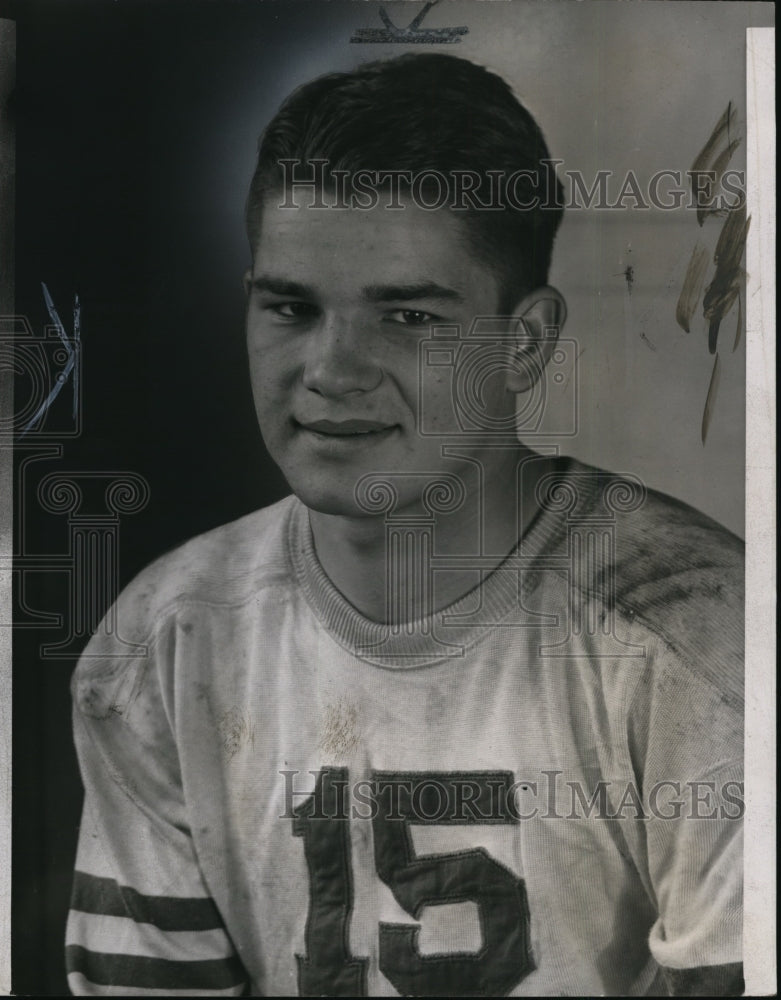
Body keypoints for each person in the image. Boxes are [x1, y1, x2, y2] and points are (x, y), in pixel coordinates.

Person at [65, 54, 744, 996]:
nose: (332, 370)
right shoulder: (164, 641)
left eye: (410, 317)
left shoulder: (706, 641)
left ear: (525, 343)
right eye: (291, 308)